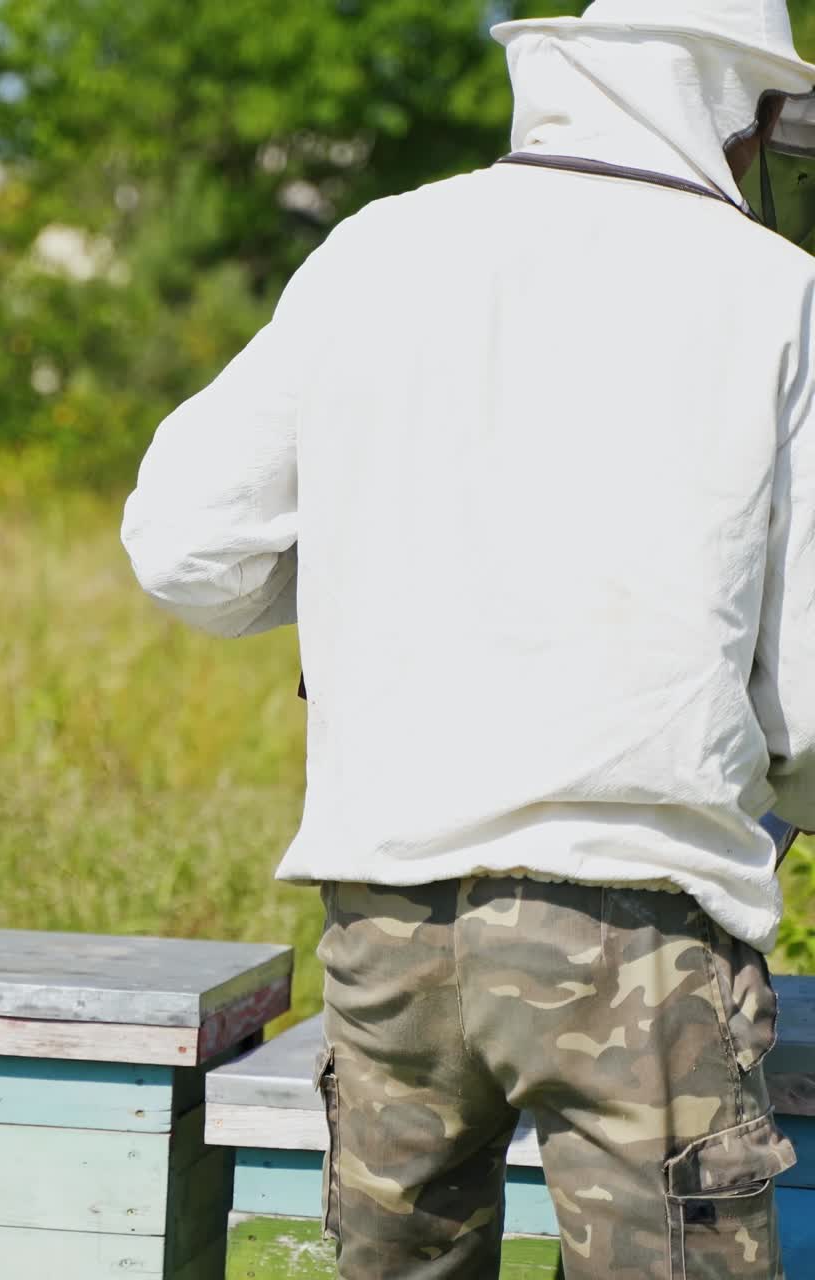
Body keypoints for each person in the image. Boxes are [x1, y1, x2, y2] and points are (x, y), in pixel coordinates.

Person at [120, 1, 815, 1276]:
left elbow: (183, 544)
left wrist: (378, 578)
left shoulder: (373, 248)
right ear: (740, 106)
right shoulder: (773, 291)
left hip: (389, 923)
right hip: (637, 925)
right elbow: (812, 691)